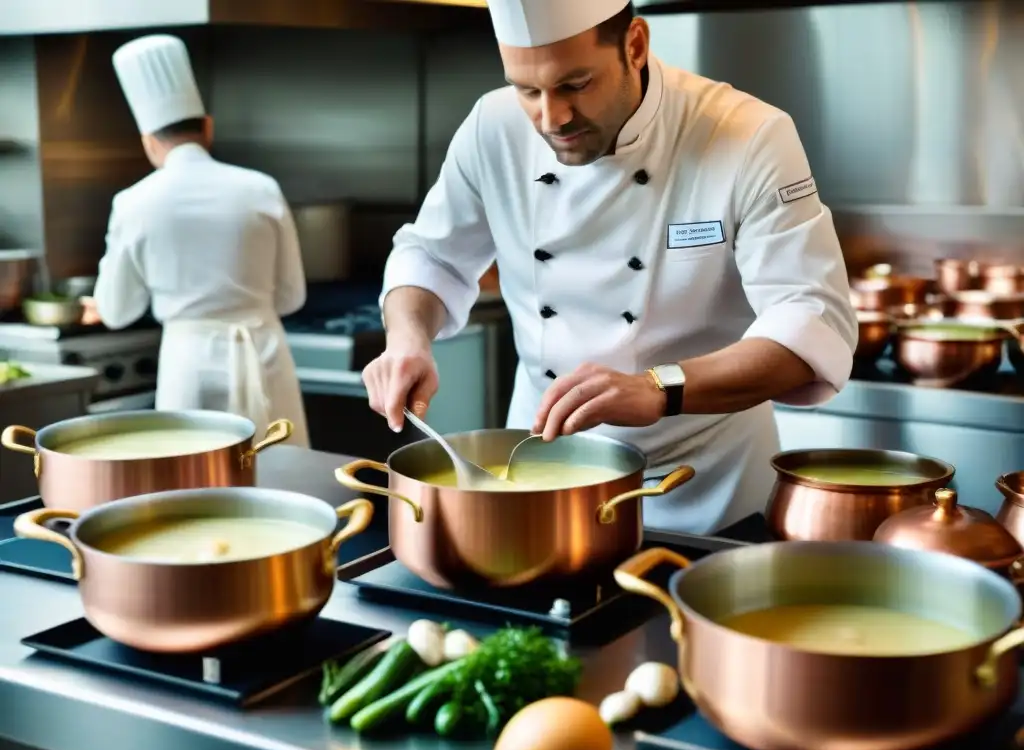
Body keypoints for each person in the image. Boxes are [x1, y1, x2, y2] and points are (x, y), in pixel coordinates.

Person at [362, 0, 857, 533]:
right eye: (527, 90)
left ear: (636, 46)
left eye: (575, 84)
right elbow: (431, 254)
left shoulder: (747, 135)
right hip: (539, 488)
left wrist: (658, 387)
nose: (551, 118)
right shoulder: (493, 125)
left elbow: (813, 322)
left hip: (707, 493)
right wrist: (408, 338)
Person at [94, 34, 310, 447]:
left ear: (148, 142)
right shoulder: (261, 187)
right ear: (207, 127)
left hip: (187, 362)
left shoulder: (132, 202)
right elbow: (291, 296)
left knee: (194, 481)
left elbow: (117, 310)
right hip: (264, 352)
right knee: (283, 474)